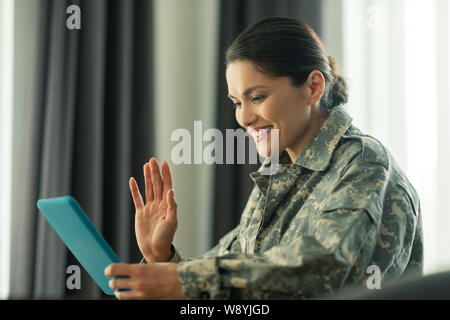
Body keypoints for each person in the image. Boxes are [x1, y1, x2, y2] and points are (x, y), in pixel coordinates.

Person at [104, 16, 423, 300]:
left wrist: (183, 280)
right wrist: (162, 257)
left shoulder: (364, 164)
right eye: (237, 102)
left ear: (313, 87)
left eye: (257, 97)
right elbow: (230, 276)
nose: (244, 118)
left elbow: (324, 267)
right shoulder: (279, 172)